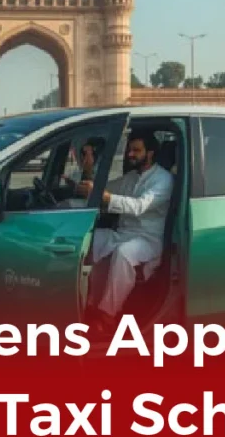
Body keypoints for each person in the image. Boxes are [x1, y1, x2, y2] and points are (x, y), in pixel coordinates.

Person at [74, 131, 173, 333]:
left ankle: (108, 315)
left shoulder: (164, 180)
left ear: (150, 153)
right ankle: (88, 305)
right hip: (123, 233)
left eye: (136, 150)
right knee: (90, 240)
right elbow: (103, 189)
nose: (130, 154)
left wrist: (107, 198)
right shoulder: (131, 177)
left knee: (124, 253)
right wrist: (89, 171)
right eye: (130, 150)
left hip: (148, 239)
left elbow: (138, 206)